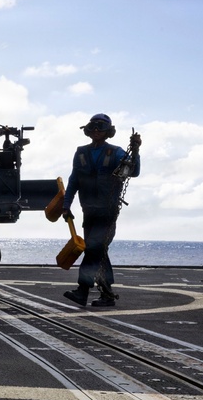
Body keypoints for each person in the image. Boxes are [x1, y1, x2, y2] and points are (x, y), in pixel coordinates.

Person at [61, 113, 142, 307]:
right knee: (98, 251)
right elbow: (73, 181)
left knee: (94, 249)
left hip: (108, 212)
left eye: (101, 127)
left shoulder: (116, 152)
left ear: (108, 132)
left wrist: (136, 150)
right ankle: (107, 294)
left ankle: (82, 290)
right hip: (88, 211)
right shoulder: (80, 152)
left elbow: (133, 171)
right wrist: (66, 206)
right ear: (88, 130)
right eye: (94, 127)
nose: (97, 130)